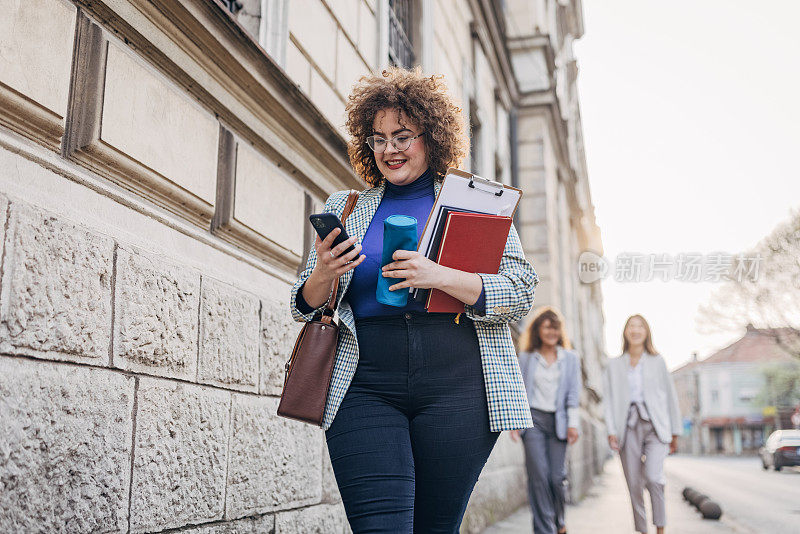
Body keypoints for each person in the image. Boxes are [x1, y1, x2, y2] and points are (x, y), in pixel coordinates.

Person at [289, 66, 539, 533]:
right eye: (377, 139)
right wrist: (324, 271)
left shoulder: (475, 203)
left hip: (458, 390)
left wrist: (439, 275)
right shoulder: (346, 204)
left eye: (402, 136)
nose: (389, 149)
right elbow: (303, 303)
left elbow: (521, 289)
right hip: (365, 386)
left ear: (431, 136)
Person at [604, 315, 681, 534]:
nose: (635, 330)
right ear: (625, 332)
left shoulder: (657, 361)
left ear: (646, 332)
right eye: (631, 326)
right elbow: (608, 400)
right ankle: (642, 530)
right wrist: (611, 431)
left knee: (654, 478)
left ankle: (660, 528)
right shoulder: (614, 364)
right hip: (626, 427)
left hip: (655, 427)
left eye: (640, 327)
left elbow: (670, 397)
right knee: (634, 485)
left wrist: (675, 431)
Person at [511, 306, 581, 534]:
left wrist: (573, 423)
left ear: (560, 331)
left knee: (556, 478)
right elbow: (518, 391)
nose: (551, 332)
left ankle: (559, 522)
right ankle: (544, 529)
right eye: (546, 328)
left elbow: (573, 394)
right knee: (538, 477)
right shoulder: (526, 357)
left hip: (559, 423)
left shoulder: (570, 359)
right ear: (538, 330)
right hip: (533, 422)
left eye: (555, 328)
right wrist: (515, 423)